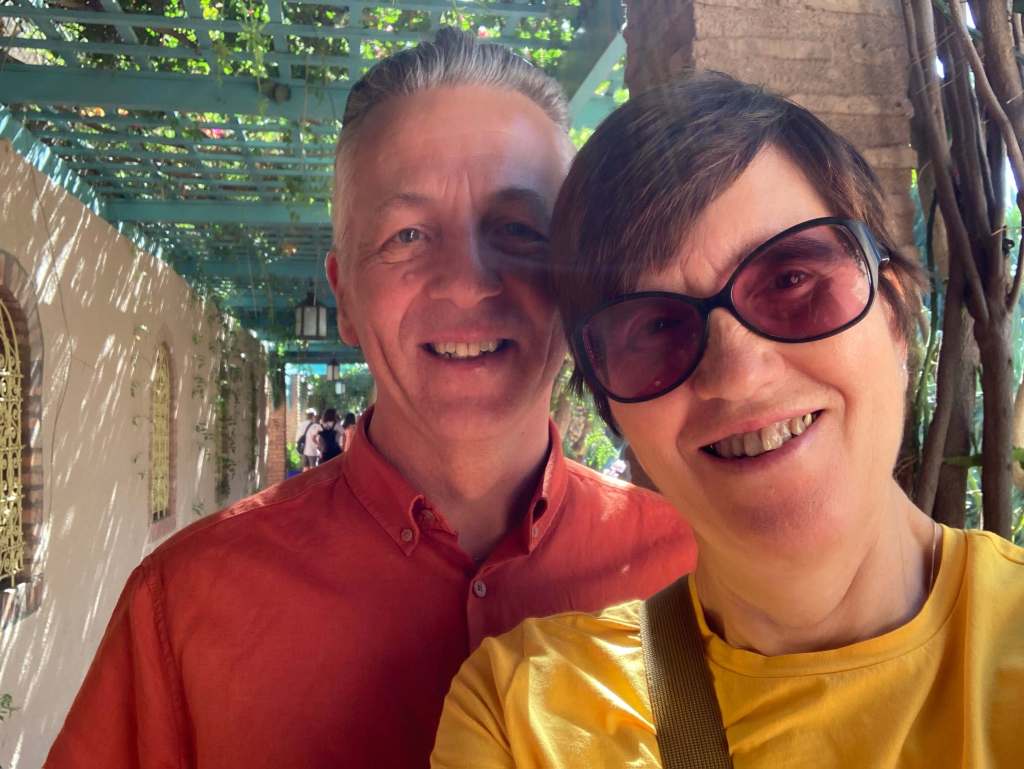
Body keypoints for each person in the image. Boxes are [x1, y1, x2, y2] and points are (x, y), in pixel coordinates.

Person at [45, 29, 697, 769]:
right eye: (408, 235)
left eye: (519, 230)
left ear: (574, 281)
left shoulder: (701, 571)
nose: (467, 283)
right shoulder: (182, 606)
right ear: (344, 297)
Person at [432, 73, 1024, 768]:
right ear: (613, 409)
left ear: (893, 311)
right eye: (655, 327)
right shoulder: (529, 714)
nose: (738, 375)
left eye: (791, 281)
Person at [295, 406, 321, 471]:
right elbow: (318, 439)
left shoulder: (301, 425)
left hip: (303, 450)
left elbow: (297, 438)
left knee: (305, 469)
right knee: (313, 470)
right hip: (312, 450)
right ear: (313, 416)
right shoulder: (316, 426)